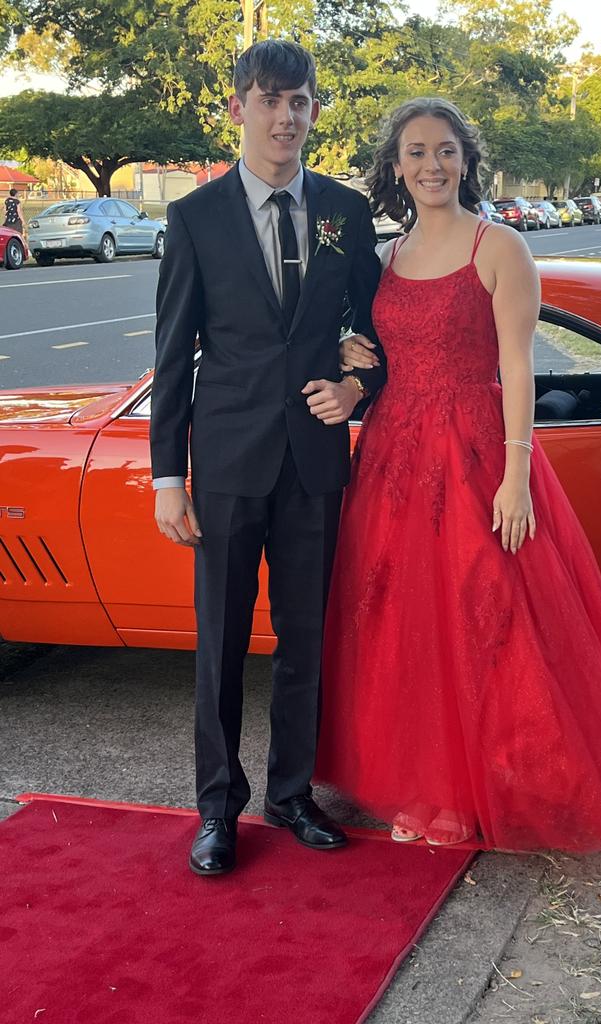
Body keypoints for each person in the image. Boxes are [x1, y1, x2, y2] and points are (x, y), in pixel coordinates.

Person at [315, 98, 601, 852]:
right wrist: (355, 357)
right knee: (401, 622)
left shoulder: (500, 247)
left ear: (466, 160)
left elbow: (517, 367)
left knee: (483, 620)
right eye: (416, 152)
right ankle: (418, 780)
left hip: (477, 453)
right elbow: (386, 356)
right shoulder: (384, 259)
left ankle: (479, 788)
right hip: (393, 457)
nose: (431, 165)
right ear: (395, 167)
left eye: (446, 151)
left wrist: (515, 475)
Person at [150, 39, 386, 876]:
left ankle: (291, 794)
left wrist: (358, 392)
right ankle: (217, 808)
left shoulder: (346, 214)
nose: (286, 117)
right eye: (269, 99)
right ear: (238, 108)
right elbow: (173, 354)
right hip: (224, 463)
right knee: (217, 642)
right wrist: (168, 478)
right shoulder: (195, 217)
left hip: (314, 461)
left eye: (300, 101)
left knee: (305, 638)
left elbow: (379, 335)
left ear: (315, 110)